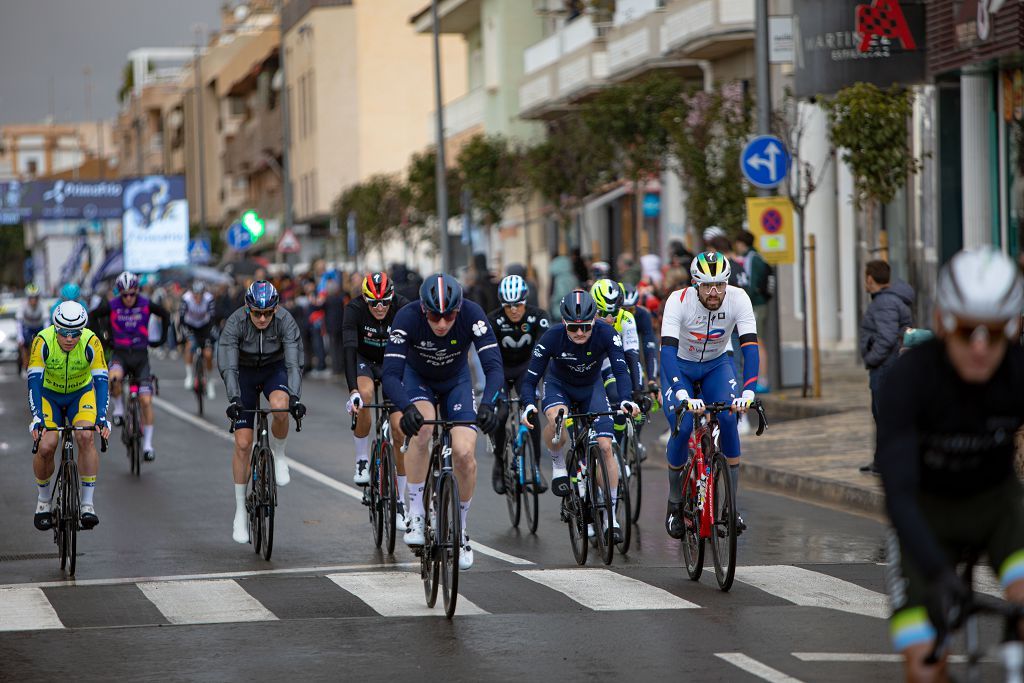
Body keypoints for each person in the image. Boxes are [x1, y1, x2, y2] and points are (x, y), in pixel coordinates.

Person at [877, 247, 1024, 683]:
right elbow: (898, 494)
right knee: (924, 665)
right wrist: (939, 574)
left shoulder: (1018, 372)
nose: (980, 348)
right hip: (925, 514)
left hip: (997, 507)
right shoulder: (909, 381)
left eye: (994, 333)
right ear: (941, 322)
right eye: (965, 331)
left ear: (1015, 329)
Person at [381, 273, 504, 570]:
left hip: (456, 381)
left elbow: (494, 367)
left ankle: (461, 531)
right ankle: (416, 513)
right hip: (417, 379)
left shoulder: (472, 314)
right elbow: (389, 374)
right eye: (434, 316)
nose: (441, 323)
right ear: (423, 309)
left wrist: (489, 404)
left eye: (449, 315)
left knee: (464, 454)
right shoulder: (407, 317)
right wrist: (406, 407)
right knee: (423, 428)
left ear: (458, 309)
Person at [519, 290, 639, 543]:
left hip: (591, 388)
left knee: (605, 447)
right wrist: (528, 405)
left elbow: (620, 368)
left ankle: (611, 515)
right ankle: (558, 463)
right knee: (558, 418)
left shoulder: (607, 333)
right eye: (574, 328)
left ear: (595, 320)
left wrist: (627, 399)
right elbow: (530, 379)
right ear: (564, 323)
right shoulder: (551, 337)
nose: (581, 333)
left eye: (585, 326)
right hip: (558, 386)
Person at [659, 252, 759, 538]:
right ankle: (675, 502)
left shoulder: (739, 298)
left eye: (719, 285)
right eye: (706, 286)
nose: (714, 292)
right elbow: (666, 351)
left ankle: (730, 507)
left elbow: (750, 345)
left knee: (729, 420)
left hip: (717, 364)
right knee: (680, 428)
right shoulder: (677, 301)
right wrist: (680, 391)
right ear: (694, 284)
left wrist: (749, 389)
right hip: (679, 366)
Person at [219, 281, 306, 544]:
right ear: (248, 308)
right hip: (243, 373)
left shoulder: (285, 321)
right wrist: (234, 399)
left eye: (268, 313)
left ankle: (279, 454)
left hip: (273, 369)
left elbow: (294, 363)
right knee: (243, 443)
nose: (262, 318)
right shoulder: (235, 323)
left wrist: (295, 398)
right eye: (257, 313)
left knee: (280, 407)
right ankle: (239, 513)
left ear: (276, 308)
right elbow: (229, 367)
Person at [27, 302, 111, 530]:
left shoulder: (91, 341)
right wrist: (37, 418)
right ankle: (43, 500)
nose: (70, 338)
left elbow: (102, 381)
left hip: (79, 395)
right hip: (49, 396)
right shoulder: (43, 341)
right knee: (46, 445)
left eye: (75, 333)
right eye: (64, 332)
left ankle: (87, 504)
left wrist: (102, 417)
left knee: (85, 437)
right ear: (56, 327)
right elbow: (34, 382)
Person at [343, 273, 410, 527]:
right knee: (367, 395)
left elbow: (413, 348)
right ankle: (362, 459)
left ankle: (401, 500)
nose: (379, 307)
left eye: (384, 302)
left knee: (399, 431)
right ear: (365, 300)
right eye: (374, 303)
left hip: (393, 363)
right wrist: (353, 391)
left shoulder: (403, 307)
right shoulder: (354, 309)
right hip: (365, 361)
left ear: (392, 299)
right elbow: (348, 350)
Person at [89, 272, 169, 462]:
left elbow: (165, 314)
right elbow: (93, 316)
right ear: (119, 293)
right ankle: (118, 409)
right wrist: (103, 340)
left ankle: (148, 445)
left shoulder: (145, 303)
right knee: (114, 377)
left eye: (132, 294)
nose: (129, 298)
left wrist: (161, 340)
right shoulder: (112, 305)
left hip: (141, 356)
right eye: (124, 295)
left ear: (137, 291)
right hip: (121, 353)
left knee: (146, 401)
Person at [487, 274, 549, 495]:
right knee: (501, 414)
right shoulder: (492, 320)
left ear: (526, 301)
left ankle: (535, 467)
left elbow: (544, 350)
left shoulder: (538, 316)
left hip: (526, 369)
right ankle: (499, 464)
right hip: (500, 371)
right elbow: (487, 355)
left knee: (530, 413)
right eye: (508, 306)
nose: (514, 310)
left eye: (518, 304)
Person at [859, 260, 914, 475]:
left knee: (884, 415)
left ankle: (888, 462)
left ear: (870, 279)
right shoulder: (890, 300)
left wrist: (872, 358)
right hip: (890, 364)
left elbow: (887, 337)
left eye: (865, 278)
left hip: (885, 366)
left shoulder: (884, 303)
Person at [590, 279, 649, 449]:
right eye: (602, 313)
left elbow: (633, 356)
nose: (609, 319)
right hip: (590, 364)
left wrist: (637, 389)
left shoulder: (627, 318)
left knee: (618, 396)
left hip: (611, 360)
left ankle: (616, 446)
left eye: (614, 312)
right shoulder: (586, 319)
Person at [733, 231, 773, 393]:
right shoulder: (756, 256)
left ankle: (762, 380)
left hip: (756, 305)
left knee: (757, 341)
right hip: (759, 304)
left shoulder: (751, 259)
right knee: (757, 341)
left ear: (741, 243)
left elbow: (750, 284)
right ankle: (760, 379)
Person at [180, 280, 218, 400]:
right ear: (192, 293)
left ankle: (210, 381)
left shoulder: (209, 299)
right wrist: (183, 335)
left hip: (205, 326)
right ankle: (190, 375)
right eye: (195, 295)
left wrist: (211, 336)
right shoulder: (186, 299)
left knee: (207, 354)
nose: (198, 298)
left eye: (200, 295)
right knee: (190, 345)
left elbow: (213, 318)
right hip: (190, 325)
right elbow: (181, 318)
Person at [17, 284, 47, 374]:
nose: (33, 300)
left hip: (39, 326)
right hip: (27, 327)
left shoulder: (42, 305)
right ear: (28, 298)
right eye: (31, 298)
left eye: (35, 298)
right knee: (24, 345)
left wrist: (45, 337)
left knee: (42, 345)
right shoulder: (22, 305)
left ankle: (43, 365)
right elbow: (19, 322)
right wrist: (20, 336)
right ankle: (24, 366)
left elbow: (46, 322)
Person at [549, 251, 581, 320]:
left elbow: (560, 294)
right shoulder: (573, 277)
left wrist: (552, 300)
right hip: (573, 310)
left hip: (560, 311)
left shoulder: (560, 279)